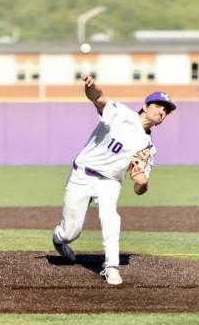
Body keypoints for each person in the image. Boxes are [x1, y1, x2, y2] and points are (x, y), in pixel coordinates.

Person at [52, 73, 176, 285]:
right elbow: (98, 98)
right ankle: (59, 238)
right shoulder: (121, 114)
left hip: (109, 182)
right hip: (82, 174)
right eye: (159, 106)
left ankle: (111, 267)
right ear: (146, 106)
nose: (162, 111)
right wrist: (91, 86)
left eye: (166, 110)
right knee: (71, 231)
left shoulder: (148, 147)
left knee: (111, 218)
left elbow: (139, 184)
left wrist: (142, 183)